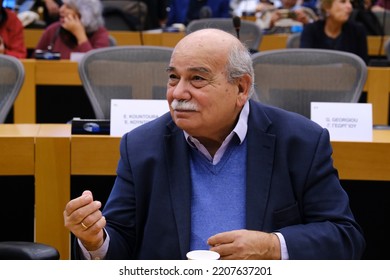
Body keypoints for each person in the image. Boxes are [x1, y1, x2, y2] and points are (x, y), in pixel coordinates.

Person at [64, 28, 365, 260]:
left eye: (197, 79)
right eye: (173, 78)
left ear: (241, 88)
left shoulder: (301, 141)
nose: (178, 93)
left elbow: (344, 237)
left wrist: (272, 246)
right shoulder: (142, 146)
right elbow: (121, 245)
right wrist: (94, 241)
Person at [34, 0, 109, 59]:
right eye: (63, 5)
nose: (61, 9)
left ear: (84, 14)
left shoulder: (100, 33)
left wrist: (80, 36)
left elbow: (95, 67)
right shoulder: (53, 30)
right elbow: (34, 61)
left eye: (68, 7)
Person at [300, 0, 369, 64]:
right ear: (327, 7)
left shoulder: (357, 31)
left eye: (350, 2)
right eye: (343, 1)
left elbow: (363, 66)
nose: (350, 6)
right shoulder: (310, 30)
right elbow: (303, 64)